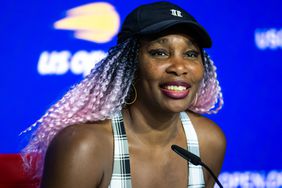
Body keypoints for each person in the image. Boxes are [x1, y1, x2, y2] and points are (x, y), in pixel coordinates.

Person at [21, 1, 226, 188]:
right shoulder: (84, 146)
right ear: (129, 66)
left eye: (191, 54)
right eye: (160, 52)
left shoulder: (208, 141)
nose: (180, 67)